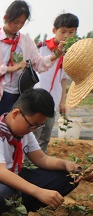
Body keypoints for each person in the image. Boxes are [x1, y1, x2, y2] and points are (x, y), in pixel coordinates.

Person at [0, 89, 82, 216]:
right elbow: (0, 173)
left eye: (38, 126)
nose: (33, 130)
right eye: (33, 125)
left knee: (69, 176)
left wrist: (67, 165)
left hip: (14, 178)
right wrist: (38, 192)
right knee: (2, 194)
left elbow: (41, 158)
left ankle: (22, 208)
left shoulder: (24, 133)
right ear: (16, 114)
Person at [0, 1, 62, 125]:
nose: (18, 26)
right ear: (6, 18)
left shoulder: (25, 42)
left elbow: (38, 63)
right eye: (16, 22)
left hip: (19, 96)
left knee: (15, 131)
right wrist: (11, 68)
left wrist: (54, 56)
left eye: (22, 23)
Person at [32, 13, 79, 153]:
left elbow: (63, 79)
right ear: (54, 31)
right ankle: (26, 163)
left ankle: (40, 163)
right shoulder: (41, 48)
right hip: (36, 99)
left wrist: (62, 102)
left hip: (53, 100)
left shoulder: (69, 54)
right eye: (63, 31)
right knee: (33, 133)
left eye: (71, 32)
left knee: (46, 134)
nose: (66, 36)